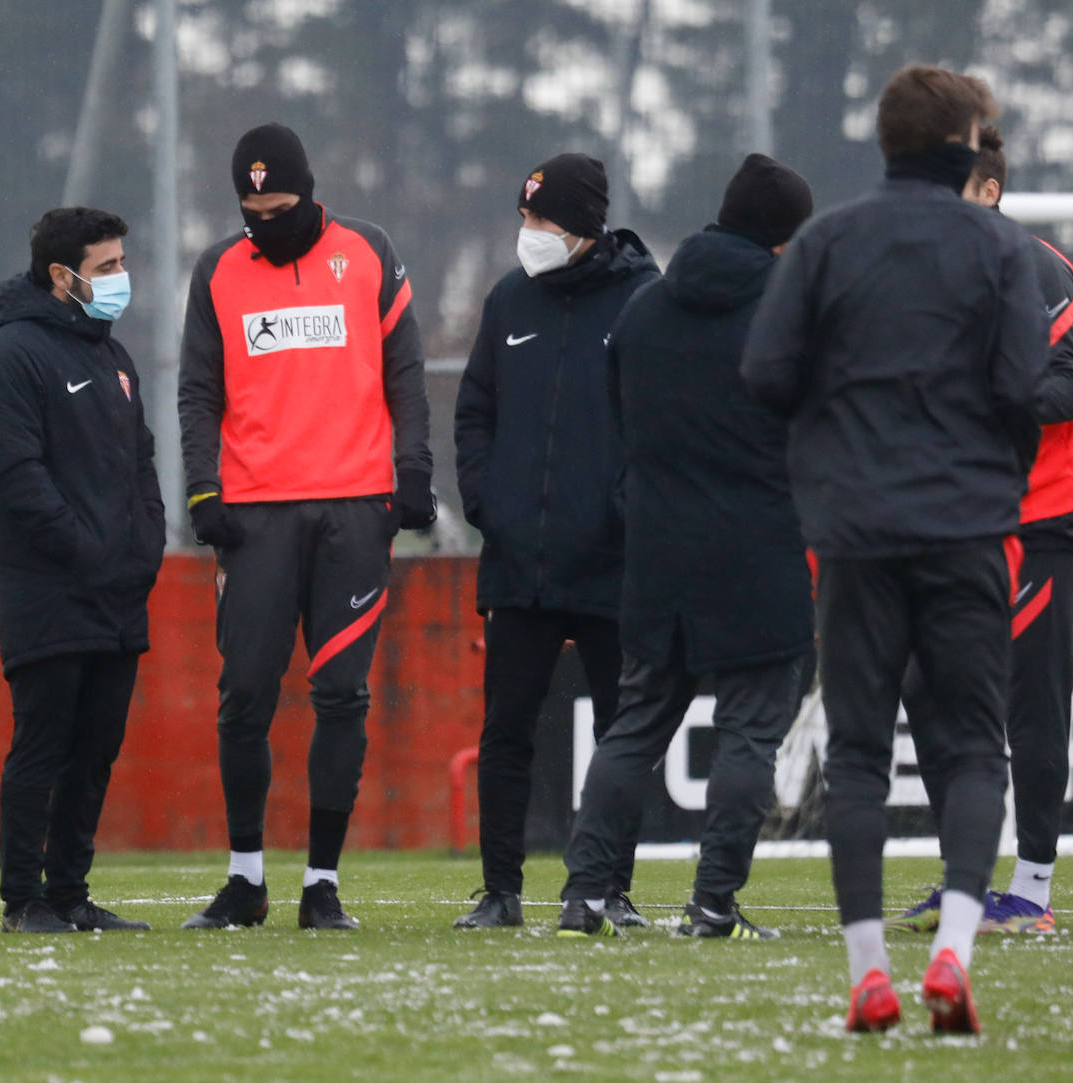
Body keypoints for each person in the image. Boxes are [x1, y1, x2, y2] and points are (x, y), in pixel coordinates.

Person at [741, 66, 1048, 1035]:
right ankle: (954, 951)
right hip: (966, 527)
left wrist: (834, 440)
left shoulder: (827, 241)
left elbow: (766, 373)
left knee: (863, 755)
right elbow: (1025, 388)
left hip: (857, 531)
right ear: (964, 141)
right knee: (969, 750)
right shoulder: (1001, 249)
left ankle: (868, 974)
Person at [177, 123, 433, 931]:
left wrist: (415, 473)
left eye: (279, 205)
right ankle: (245, 878)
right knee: (244, 694)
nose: (265, 220)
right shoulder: (216, 269)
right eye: (250, 209)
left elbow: (407, 372)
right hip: (253, 518)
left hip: (354, 510)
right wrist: (201, 488)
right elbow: (196, 390)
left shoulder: (368, 252)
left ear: (309, 191)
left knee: (341, 695)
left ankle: (322, 884)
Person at [555, 154, 816, 941]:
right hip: (760, 554)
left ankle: (584, 897)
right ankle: (711, 905)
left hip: (658, 558)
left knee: (632, 728)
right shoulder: (791, 315)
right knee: (747, 736)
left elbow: (623, 430)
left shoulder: (643, 310)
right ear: (782, 241)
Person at [889, 125, 1073, 936]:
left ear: (989, 191)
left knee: (1033, 700)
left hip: (1048, 517)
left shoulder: (1038, 268)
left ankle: (1035, 891)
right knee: (924, 684)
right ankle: (966, 880)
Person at [452, 153, 658, 929]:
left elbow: (658, 425)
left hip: (613, 564)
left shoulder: (643, 301)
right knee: (506, 730)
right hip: (520, 563)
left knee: (621, 733)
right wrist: (487, 502)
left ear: (582, 229)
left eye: (540, 221)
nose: (526, 233)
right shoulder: (509, 301)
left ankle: (607, 887)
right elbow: (475, 412)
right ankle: (500, 890)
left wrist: (624, 512)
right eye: (524, 216)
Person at [0, 206, 165, 934]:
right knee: (44, 743)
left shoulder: (111, 356)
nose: (121, 279)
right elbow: (17, 477)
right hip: (49, 593)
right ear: (62, 276)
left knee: (96, 750)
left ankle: (70, 893)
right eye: (107, 266)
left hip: (117, 593)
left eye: (121, 263)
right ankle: (23, 899)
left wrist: (146, 543)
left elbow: (141, 460)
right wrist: (88, 553)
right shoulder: (11, 357)